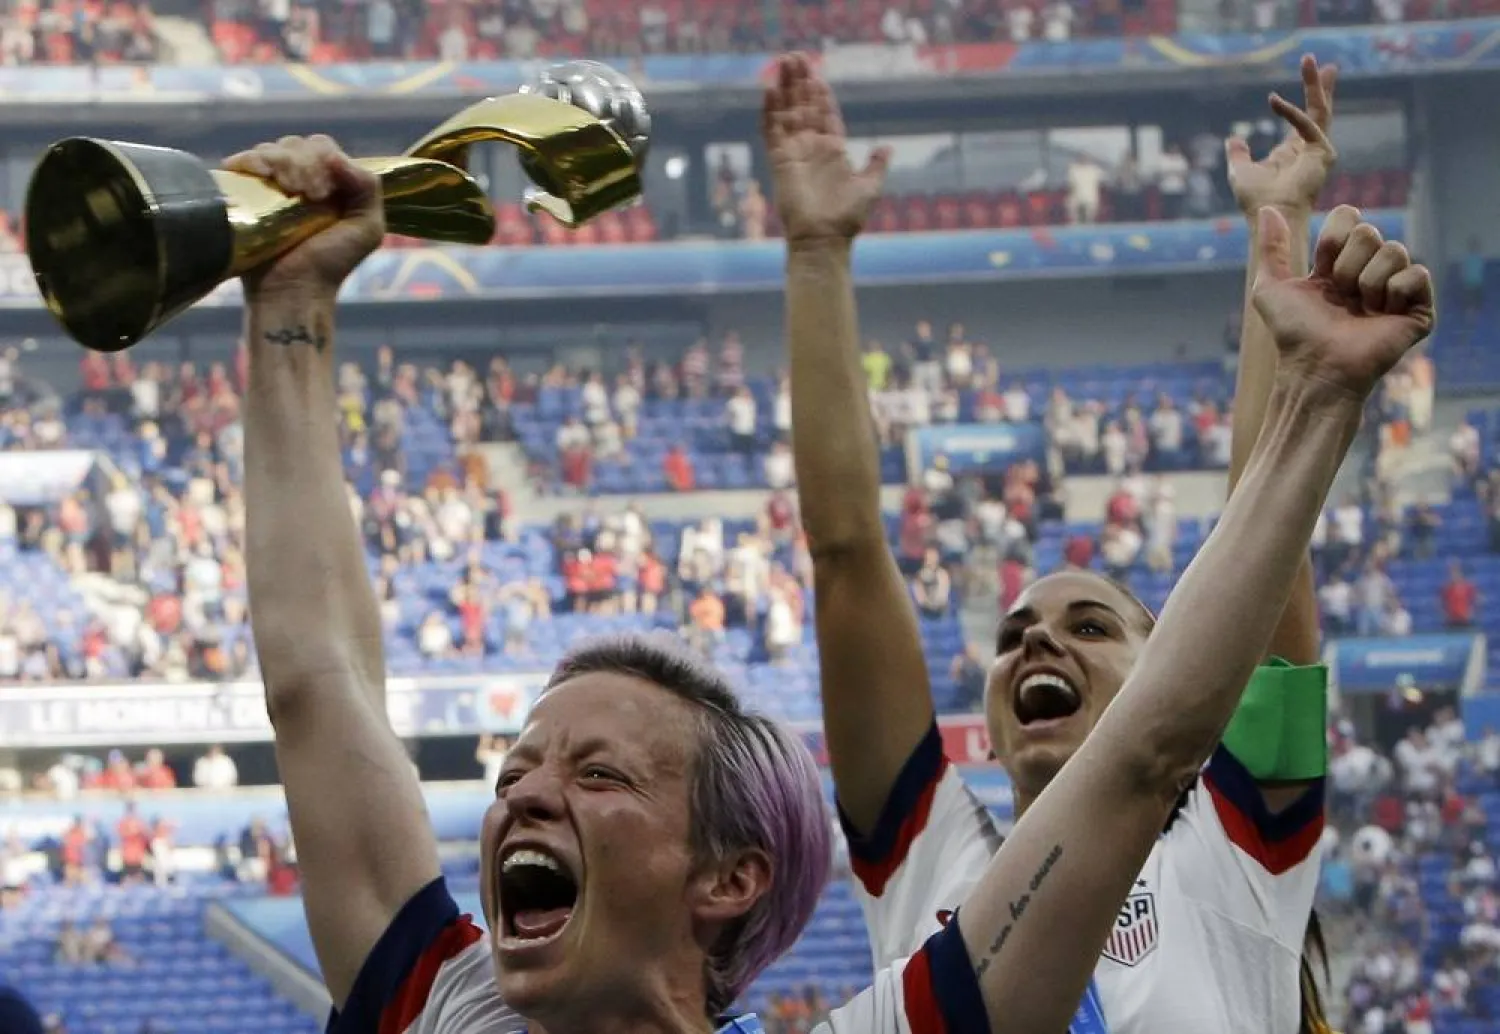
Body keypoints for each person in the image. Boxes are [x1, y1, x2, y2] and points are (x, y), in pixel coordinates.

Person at [231, 111, 1431, 1033]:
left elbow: (1151, 749)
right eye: (517, 767)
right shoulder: (452, 1004)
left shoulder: (1209, 850)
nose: (521, 798)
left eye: (595, 771)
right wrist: (289, 310)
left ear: (733, 874)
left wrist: (1316, 396)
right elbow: (318, 682)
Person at [768, 52, 1410, 1034]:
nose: (1035, 642)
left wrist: (1268, 236)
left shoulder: (1239, 851)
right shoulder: (928, 859)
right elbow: (849, 553)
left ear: (1179, 668)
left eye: (1090, 624)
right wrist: (815, 250)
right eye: (1016, 629)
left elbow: (1265, 530)